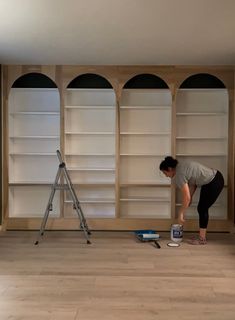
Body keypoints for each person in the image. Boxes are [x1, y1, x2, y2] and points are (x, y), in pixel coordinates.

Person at [159, 156, 224, 245]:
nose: (166, 175)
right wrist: (191, 197)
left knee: (202, 208)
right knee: (202, 208)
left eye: (164, 172)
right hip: (213, 179)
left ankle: (202, 239)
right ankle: (201, 236)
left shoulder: (179, 174)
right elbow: (193, 182)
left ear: (169, 169)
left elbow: (186, 197)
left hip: (213, 181)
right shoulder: (181, 166)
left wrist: (181, 213)